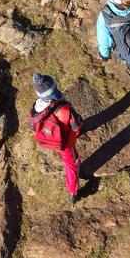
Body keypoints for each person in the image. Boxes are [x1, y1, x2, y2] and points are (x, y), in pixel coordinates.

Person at [27, 73, 83, 209]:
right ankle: (72, 192)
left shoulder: (35, 109)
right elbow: (77, 125)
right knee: (72, 164)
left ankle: (72, 192)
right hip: (65, 144)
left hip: (48, 140)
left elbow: (31, 125)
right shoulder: (64, 109)